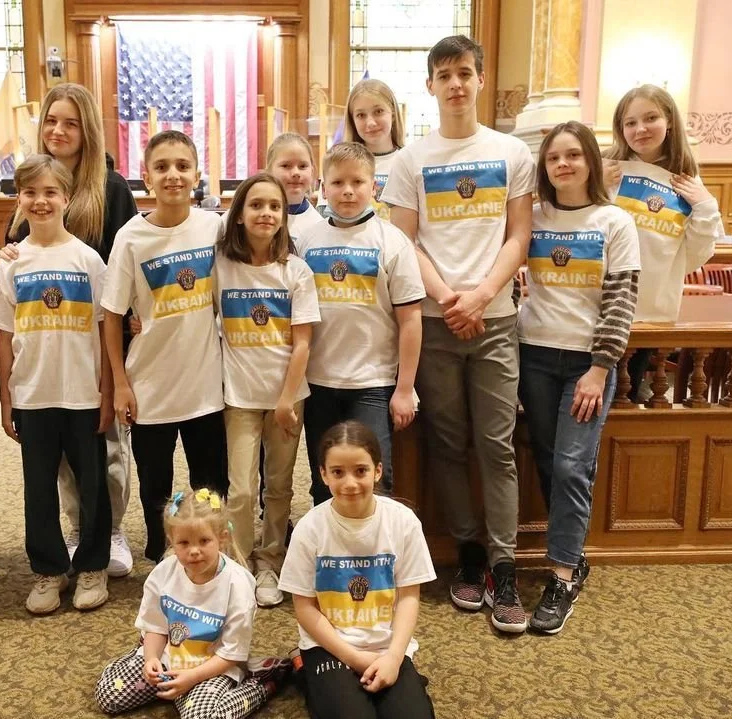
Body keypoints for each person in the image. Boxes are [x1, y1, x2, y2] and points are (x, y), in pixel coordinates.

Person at [383, 34, 534, 633]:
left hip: (494, 322)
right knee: (447, 443)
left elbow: (518, 235)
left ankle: (503, 565)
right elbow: (404, 242)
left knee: (496, 445)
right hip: (438, 324)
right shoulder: (410, 159)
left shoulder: (510, 152)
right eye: (443, 74)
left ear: (479, 78)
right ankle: (467, 554)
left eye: (464, 73)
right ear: (430, 85)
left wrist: (478, 296)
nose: (455, 84)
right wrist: (447, 298)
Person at [0, 82, 139, 578]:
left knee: (106, 448)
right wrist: (10, 254)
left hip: (97, 340)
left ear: (88, 130)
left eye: (71, 122)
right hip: (44, 347)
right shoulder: (36, 183)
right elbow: (15, 251)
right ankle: (77, 529)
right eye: (52, 121)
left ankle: (111, 529)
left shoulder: (112, 187)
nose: (59, 130)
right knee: (57, 460)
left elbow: (129, 259)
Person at [518, 122, 641, 633]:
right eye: (553, 158)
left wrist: (599, 368)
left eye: (572, 155)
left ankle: (563, 574)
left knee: (571, 465)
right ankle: (571, 552)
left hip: (586, 365)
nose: (563, 164)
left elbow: (620, 301)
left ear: (590, 159)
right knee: (547, 457)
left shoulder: (614, 221)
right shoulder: (533, 216)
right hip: (535, 355)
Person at [0, 155, 113, 613]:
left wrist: (108, 393)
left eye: (50, 192)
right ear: (19, 199)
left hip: (82, 393)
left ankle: (93, 565)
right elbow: (3, 335)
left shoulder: (88, 260)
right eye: (30, 193)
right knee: (37, 487)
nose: (41, 201)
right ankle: (48, 570)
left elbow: (104, 330)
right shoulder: (11, 265)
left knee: (92, 483)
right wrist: (5, 399)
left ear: (67, 198)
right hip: (33, 395)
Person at [101, 130, 228, 563]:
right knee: (156, 487)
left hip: (206, 386)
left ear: (196, 173)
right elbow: (113, 314)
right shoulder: (131, 238)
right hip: (150, 386)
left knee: (211, 484)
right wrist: (120, 384)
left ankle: (212, 559)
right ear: (145, 176)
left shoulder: (215, 228)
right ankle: (161, 559)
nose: (172, 175)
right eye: (161, 167)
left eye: (182, 165)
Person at [279, 421, 437, 719]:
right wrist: (353, 657)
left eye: (361, 471)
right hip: (328, 645)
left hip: (386, 645)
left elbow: (408, 597)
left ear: (378, 471)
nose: (350, 483)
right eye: (338, 472)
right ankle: (305, 670)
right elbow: (305, 608)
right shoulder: (309, 529)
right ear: (323, 474)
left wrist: (393, 657)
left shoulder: (403, 522)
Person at [297, 142, 424, 505]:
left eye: (357, 181)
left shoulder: (392, 241)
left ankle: (373, 556)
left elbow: (411, 319)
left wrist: (405, 388)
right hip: (319, 381)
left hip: (373, 382)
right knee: (326, 478)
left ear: (374, 187)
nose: (347, 190)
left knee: (371, 478)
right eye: (337, 182)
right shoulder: (308, 241)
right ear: (322, 186)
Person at [215, 173, 320, 608]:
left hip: (287, 398)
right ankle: (239, 566)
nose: (266, 214)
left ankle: (269, 562)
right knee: (241, 489)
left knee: (278, 487)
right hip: (239, 396)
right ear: (238, 215)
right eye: (256, 205)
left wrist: (284, 399)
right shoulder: (220, 264)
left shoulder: (295, 271)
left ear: (284, 216)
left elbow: (303, 343)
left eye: (274, 207)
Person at [95, 489, 291, 718]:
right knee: (109, 695)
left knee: (201, 716)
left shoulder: (238, 584)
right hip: (170, 658)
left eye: (204, 541)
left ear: (222, 538)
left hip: (214, 667)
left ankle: (261, 681)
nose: (194, 551)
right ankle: (169, 685)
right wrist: (151, 660)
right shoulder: (162, 574)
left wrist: (192, 678)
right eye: (184, 543)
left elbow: (231, 654)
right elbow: (156, 627)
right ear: (172, 542)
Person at [602, 84, 724, 400]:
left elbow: (695, 255)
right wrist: (594, 188)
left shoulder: (687, 181)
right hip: (598, 309)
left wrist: (705, 206)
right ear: (620, 129)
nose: (640, 129)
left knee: (627, 400)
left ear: (669, 120)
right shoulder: (606, 169)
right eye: (630, 122)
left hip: (649, 312)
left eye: (650, 118)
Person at [344, 78, 406, 220]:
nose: (371, 123)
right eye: (361, 115)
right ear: (352, 120)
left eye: (378, 111)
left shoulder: (409, 160)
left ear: (393, 114)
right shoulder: (340, 164)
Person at [266, 132, 324, 240]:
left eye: (302, 166)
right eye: (286, 166)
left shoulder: (320, 227)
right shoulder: (251, 216)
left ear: (312, 171)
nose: (296, 173)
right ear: (269, 171)